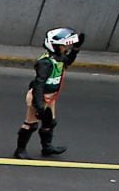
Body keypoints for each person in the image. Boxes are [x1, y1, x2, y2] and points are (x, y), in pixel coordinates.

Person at [13, 27, 82, 159]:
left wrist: (76, 49)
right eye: (63, 46)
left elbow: (68, 61)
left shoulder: (59, 58)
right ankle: (20, 150)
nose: (65, 49)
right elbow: (39, 84)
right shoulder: (45, 63)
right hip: (39, 97)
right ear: (54, 46)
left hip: (51, 97)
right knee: (31, 124)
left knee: (49, 123)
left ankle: (47, 147)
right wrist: (39, 105)